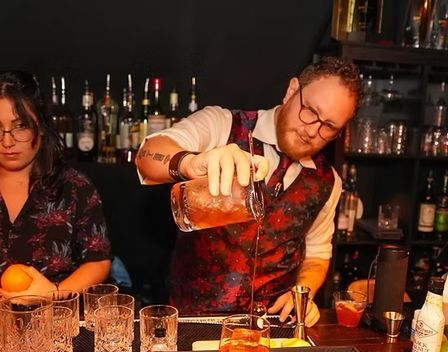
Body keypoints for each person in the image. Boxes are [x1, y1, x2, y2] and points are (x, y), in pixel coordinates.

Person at [136, 56, 362, 326]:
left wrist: (303, 290)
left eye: (329, 127)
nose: (312, 130)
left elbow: (317, 252)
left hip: (269, 329)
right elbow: (147, 156)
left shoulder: (329, 181)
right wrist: (190, 162)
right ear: (292, 90)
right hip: (193, 321)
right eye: (311, 111)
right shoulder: (222, 125)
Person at [0, 70, 111, 297]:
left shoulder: (75, 187)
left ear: (40, 126)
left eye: (20, 126)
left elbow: (97, 261)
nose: (7, 141)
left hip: (56, 321)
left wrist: (54, 293)